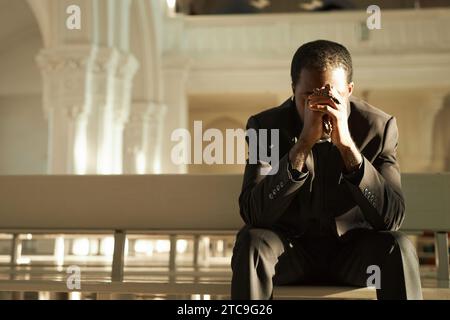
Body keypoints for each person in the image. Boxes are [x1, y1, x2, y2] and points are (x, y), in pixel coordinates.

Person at [231, 40, 422, 300]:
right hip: (288, 255)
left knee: (398, 247)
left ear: (350, 90)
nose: (320, 108)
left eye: (334, 97)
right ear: (292, 89)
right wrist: (302, 145)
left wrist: (347, 147)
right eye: (308, 97)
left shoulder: (377, 127)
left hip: (352, 257)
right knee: (252, 243)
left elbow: (390, 219)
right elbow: (255, 214)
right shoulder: (265, 127)